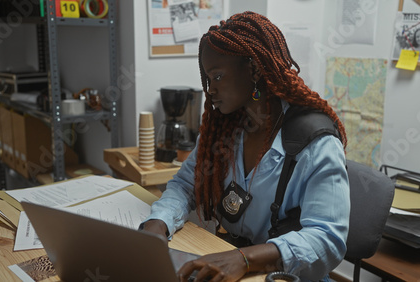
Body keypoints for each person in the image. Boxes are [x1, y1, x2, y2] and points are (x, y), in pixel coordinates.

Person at [140, 11, 350, 282]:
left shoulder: (316, 141)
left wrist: (245, 259)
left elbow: (328, 239)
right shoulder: (225, 126)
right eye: (206, 79)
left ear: (253, 69)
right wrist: (158, 223)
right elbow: (185, 184)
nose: (209, 90)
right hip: (227, 258)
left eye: (217, 77)